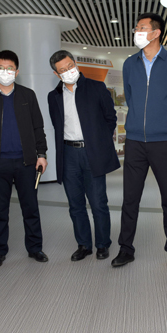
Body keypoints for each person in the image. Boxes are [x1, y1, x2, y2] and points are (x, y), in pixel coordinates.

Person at [111, 13, 167, 268]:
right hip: (135, 141)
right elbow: (130, 97)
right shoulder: (130, 63)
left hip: (164, 142)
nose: (137, 31)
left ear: (156, 33)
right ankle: (125, 248)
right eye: (137, 28)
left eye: (142, 28)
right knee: (130, 198)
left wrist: (165, 123)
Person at [0, 50, 49, 268]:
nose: (4, 72)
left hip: (26, 163)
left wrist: (41, 154)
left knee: (30, 209)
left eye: (9, 68)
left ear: (17, 71)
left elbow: (38, 127)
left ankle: (35, 248)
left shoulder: (28, 96)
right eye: (0, 68)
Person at [47, 50, 120, 261]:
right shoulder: (54, 96)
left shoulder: (96, 87)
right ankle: (84, 245)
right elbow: (57, 125)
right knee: (75, 204)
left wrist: (98, 141)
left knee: (98, 202)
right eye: (62, 70)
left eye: (70, 66)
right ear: (56, 74)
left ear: (75, 63)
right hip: (68, 154)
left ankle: (103, 244)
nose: (68, 71)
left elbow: (110, 117)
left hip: (92, 152)